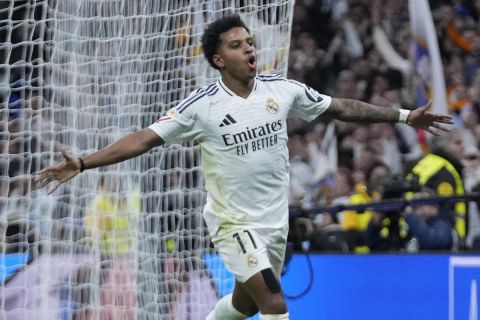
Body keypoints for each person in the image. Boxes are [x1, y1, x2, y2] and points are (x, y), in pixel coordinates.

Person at [36, 14, 453, 320]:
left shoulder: (282, 90)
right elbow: (143, 139)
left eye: (249, 42)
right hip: (232, 223)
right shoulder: (200, 107)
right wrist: (86, 163)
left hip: (273, 222)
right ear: (218, 60)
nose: (249, 48)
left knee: (244, 306)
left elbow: (341, 107)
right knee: (275, 305)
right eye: (237, 45)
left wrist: (402, 116)